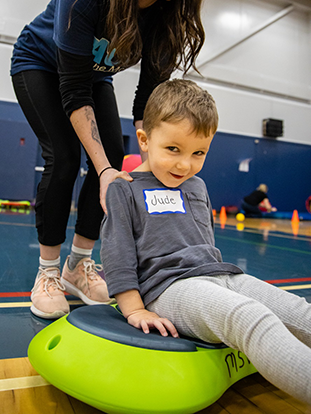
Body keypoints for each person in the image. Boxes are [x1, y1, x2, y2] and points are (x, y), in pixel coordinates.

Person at [10, 0, 207, 319]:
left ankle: (78, 266)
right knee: (64, 157)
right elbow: (73, 89)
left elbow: (149, 102)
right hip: (40, 65)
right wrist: (100, 169)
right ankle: (46, 271)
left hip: (95, 75)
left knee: (116, 159)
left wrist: (153, 159)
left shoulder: (165, 18)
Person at [101, 79, 311, 405]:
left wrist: (223, 283)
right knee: (249, 317)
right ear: (144, 139)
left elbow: (204, 242)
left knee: (298, 311)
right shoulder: (123, 189)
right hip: (168, 289)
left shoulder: (196, 186)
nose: (185, 164)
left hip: (220, 275)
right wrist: (135, 309)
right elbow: (118, 254)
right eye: (173, 149)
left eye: (198, 153)